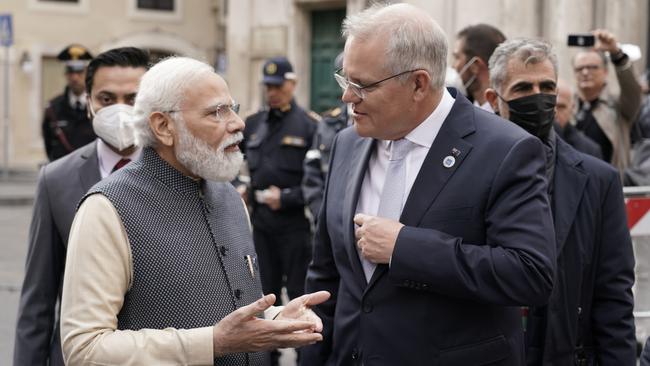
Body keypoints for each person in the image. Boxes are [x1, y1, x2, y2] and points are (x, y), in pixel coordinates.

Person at [301, 4, 556, 365]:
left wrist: (406, 247)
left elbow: (530, 273)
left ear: (418, 83)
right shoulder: (348, 143)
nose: (347, 97)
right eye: (346, 80)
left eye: (362, 85)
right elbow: (327, 273)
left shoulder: (505, 149)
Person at [60, 56, 329, 366]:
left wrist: (278, 317)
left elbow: (229, 311)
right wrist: (212, 343)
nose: (237, 123)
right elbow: (84, 348)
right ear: (163, 126)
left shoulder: (231, 198)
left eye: (233, 108)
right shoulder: (107, 209)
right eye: (217, 112)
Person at [485, 38, 636, 365]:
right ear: (494, 99)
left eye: (547, 86)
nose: (537, 96)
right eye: (524, 87)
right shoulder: (468, 171)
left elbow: (613, 296)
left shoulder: (599, 180)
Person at [13, 47, 149, 366]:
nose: (119, 110)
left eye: (132, 99)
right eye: (106, 99)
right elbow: (38, 298)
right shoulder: (55, 179)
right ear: (89, 103)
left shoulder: (179, 172)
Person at [240, 57, 318, 301]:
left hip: (294, 224)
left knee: (299, 294)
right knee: (263, 294)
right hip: (260, 224)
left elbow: (319, 184)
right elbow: (228, 162)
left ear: (292, 84)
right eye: (268, 87)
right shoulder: (252, 124)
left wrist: (285, 198)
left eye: (278, 86)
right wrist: (240, 187)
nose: (272, 93)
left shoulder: (310, 126)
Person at [573, 29, 642, 174]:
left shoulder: (618, 106)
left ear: (605, 72)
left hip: (608, 184)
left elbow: (633, 89)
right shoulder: (568, 107)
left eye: (592, 67)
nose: (585, 72)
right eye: (580, 68)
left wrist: (616, 54)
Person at [303, 52, 350, 220]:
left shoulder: (378, 124)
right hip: (328, 219)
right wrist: (320, 214)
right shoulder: (328, 123)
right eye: (345, 77)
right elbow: (312, 171)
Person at [42, 44, 96, 161]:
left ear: (87, 73)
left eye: (79, 72)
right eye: (71, 72)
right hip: (62, 172)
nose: (75, 77)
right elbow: (49, 146)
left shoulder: (97, 105)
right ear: (65, 74)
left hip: (92, 172)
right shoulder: (53, 108)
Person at [452, 23, 506, 111]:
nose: (453, 66)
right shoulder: (458, 111)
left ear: (475, 66)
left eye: (457, 57)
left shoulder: (508, 116)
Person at [554, 79, 603, 159]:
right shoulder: (531, 140)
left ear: (572, 108)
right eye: (550, 105)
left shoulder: (589, 150)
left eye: (561, 107)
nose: (554, 112)